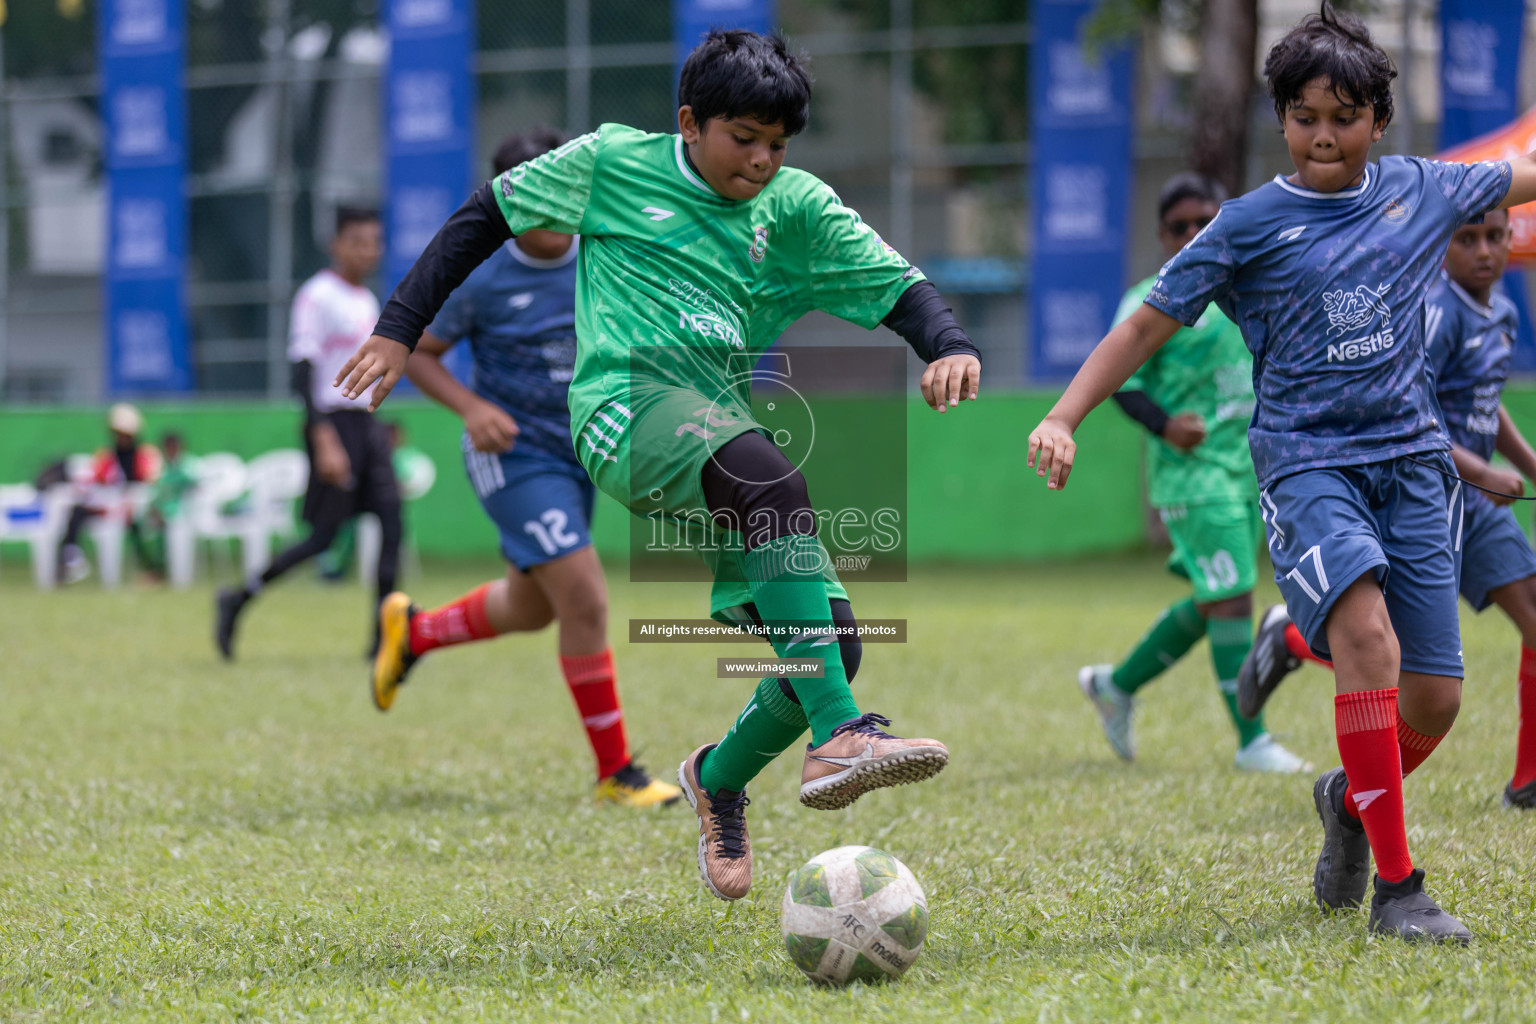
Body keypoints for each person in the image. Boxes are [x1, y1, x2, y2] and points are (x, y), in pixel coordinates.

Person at [334, 30, 979, 901]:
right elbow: (485, 213)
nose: (759, 160)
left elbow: (898, 283)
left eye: (777, 145)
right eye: (741, 138)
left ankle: (717, 777)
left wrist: (947, 344)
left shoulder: (797, 207)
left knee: (832, 644)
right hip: (623, 411)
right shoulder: (612, 163)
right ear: (689, 122)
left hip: (714, 432)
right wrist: (399, 325)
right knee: (771, 481)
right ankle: (839, 737)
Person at [1025, 4, 1536, 942]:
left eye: (1344, 117)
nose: (1323, 135)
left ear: (1379, 121)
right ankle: (1399, 889)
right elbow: (1144, 325)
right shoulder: (1247, 224)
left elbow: (1526, 172)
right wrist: (1065, 413)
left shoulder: (1424, 191)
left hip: (1417, 469)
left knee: (1437, 699)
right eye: (1304, 116)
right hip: (1309, 468)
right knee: (1369, 643)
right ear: (1282, 121)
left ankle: (1347, 802)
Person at [370, 127, 683, 809]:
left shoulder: (604, 251)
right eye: (531, 198)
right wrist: (471, 407)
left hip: (583, 451)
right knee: (588, 599)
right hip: (510, 457)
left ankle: (416, 631)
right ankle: (617, 773)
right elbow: (421, 351)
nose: (553, 210)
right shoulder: (481, 274)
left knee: (537, 607)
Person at [1245, 206, 1536, 812]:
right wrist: (1481, 472)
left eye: (1495, 237)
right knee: (1395, 657)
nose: (1484, 251)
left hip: (1477, 501)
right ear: (1441, 245)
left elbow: (1486, 402)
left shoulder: (1503, 314)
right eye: (1466, 238)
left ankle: (1525, 780)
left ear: (1512, 239)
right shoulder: (1436, 315)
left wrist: (1528, 465)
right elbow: (1411, 409)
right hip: (1431, 487)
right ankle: (1297, 643)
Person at [1078, 172, 1309, 774]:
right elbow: (1121, 381)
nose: (1190, 234)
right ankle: (1252, 740)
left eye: (1202, 222)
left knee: (1215, 600)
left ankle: (1116, 684)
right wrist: (1165, 426)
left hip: (1248, 471)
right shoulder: (1150, 300)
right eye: (1178, 226)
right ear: (1161, 235)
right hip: (1193, 475)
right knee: (1233, 599)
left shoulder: (1246, 293)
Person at [215, 207, 401, 659]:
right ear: (336, 244)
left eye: (375, 241)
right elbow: (303, 371)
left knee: (392, 521)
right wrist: (323, 438)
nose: (368, 251)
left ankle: (383, 643)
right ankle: (239, 598)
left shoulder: (366, 300)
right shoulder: (317, 296)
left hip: (365, 425)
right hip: (331, 423)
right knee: (322, 537)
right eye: (358, 241)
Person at [56, 403, 162, 583]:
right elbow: (93, 479)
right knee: (76, 512)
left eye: (123, 433)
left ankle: (149, 568)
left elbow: (150, 482)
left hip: (133, 507)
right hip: (107, 505)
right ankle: (72, 560)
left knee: (136, 526)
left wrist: (130, 500)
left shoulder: (145, 455)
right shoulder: (107, 456)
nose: (120, 437)